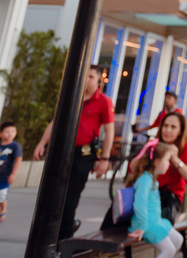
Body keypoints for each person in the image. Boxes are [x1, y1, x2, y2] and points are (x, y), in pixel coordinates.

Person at [33, 64, 115, 241]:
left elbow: (109, 131)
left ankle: (63, 238)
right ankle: (51, 233)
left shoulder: (103, 102)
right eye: (85, 75)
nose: (87, 79)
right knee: (53, 194)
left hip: (83, 155)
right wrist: (42, 143)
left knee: (70, 197)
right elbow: (55, 121)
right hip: (62, 151)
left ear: (99, 80)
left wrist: (104, 159)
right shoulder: (71, 97)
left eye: (91, 77)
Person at [127, 140, 184, 258]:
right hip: (145, 224)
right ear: (157, 162)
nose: (169, 164)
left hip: (155, 221)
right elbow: (140, 204)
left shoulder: (151, 178)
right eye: (167, 160)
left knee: (178, 240)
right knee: (168, 250)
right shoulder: (145, 180)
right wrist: (142, 226)